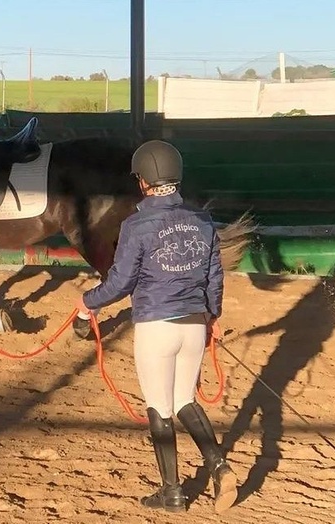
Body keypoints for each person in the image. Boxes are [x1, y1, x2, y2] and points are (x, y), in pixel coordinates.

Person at [76, 139, 238, 514]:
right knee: (185, 401)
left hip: (156, 324)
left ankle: (172, 492)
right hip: (194, 324)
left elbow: (120, 282)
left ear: (144, 181)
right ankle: (219, 465)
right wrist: (212, 317)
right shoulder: (202, 220)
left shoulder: (136, 225)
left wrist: (88, 302)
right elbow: (214, 277)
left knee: (159, 408)